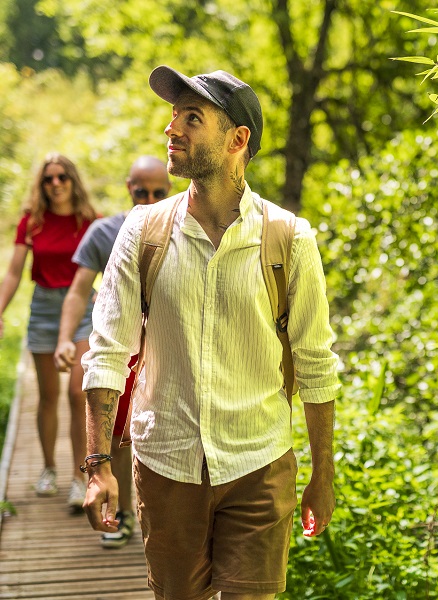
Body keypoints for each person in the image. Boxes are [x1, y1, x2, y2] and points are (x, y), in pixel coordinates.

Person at [81, 66, 339, 600]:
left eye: (192, 118)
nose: (171, 128)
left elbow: (316, 364)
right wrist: (98, 466)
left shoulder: (290, 238)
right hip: (167, 465)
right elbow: (106, 353)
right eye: (174, 115)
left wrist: (323, 476)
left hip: (259, 463)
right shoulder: (143, 231)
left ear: (237, 140)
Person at [54, 156, 171, 548]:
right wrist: (65, 338)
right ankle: (121, 514)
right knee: (118, 431)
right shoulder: (104, 233)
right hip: (124, 344)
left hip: (167, 344)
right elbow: (78, 290)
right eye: (142, 192)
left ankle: (160, 515)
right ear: (128, 188)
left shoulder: (186, 227)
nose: (149, 200)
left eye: (158, 193)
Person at [0, 153, 97, 510]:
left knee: (77, 393)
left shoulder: (89, 220)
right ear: (41, 185)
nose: (55, 184)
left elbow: (113, 266)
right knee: (47, 397)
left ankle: (79, 477)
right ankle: (48, 468)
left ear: (72, 180)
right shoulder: (32, 222)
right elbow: (14, 272)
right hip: (43, 309)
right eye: (48, 179)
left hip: (82, 309)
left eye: (61, 177)